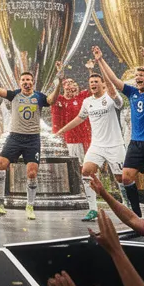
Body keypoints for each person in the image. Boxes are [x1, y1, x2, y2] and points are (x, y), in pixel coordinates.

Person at [93, 44, 144, 216]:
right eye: (136, 76)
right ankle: (136, 215)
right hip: (136, 143)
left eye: (141, 75)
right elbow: (114, 80)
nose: (137, 78)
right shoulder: (132, 93)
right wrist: (100, 60)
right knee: (126, 178)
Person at [0, 55, 50, 220]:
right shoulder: (14, 95)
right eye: (23, 80)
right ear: (20, 83)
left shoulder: (39, 97)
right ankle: (0, 202)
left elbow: (52, 100)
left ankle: (30, 206)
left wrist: (59, 83)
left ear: (33, 82)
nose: (26, 82)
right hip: (15, 137)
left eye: (29, 80)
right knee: (0, 164)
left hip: (33, 139)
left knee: (32, 173)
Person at [57, 69, 127, 222]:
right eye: (91, 82)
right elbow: (79, 118)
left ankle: (127, 205)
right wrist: (62, 130)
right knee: (86, 171)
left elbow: (113, 92)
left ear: (102, 84)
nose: (93, 84)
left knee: (121, 178)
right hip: (96, 145)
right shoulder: (87, 102)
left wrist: (103, 69)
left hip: (115, 145)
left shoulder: (111, 98)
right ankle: (93, 209)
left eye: (96, 81)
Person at [51, 68, 97, 221]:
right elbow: (53, 100)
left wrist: (90, 70)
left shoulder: (82, 97)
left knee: (88, 169)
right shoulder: (61, 101)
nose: (71, 85)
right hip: (70, 141)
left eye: (73, 83)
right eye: (68, 83)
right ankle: (78, 193)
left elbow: (93, 88)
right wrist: (59, 79)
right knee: (75, 169)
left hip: (87, 139)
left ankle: (91, 194)